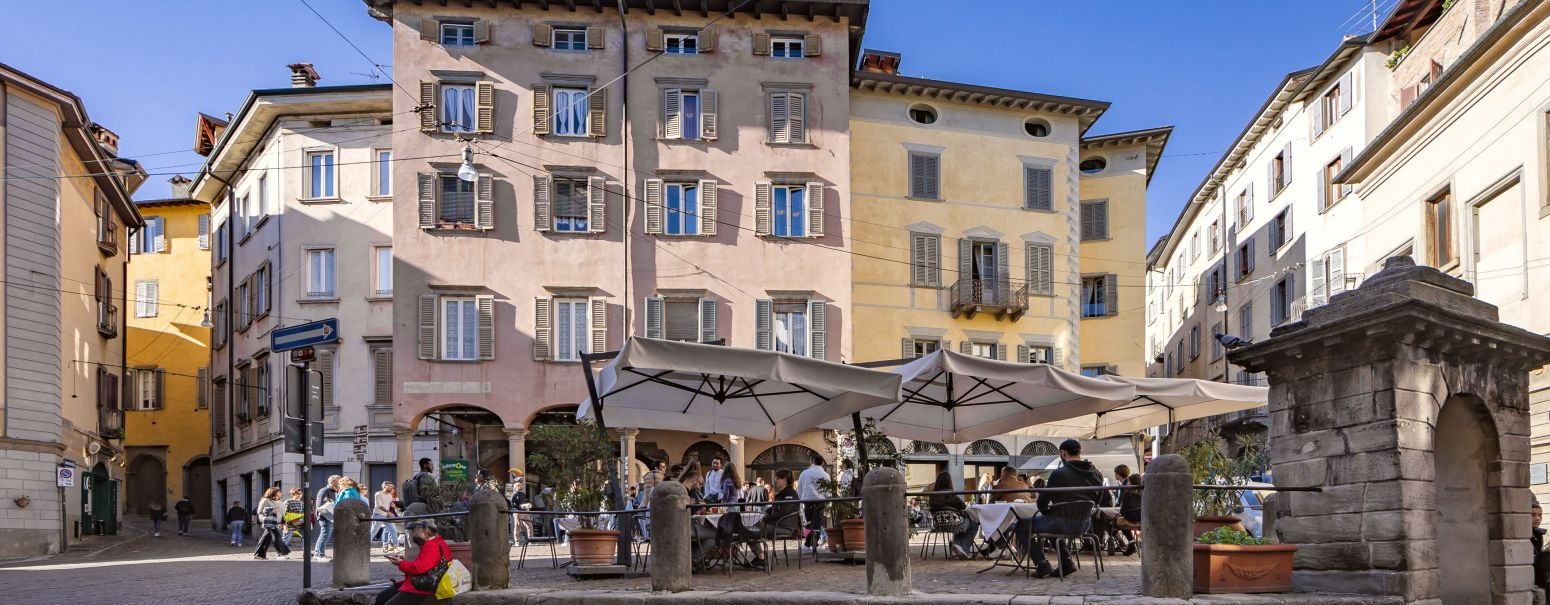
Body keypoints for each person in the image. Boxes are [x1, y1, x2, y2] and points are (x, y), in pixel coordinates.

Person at [1023, 439, 1106, 578]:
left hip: (1061, 523)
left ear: (1063, 453)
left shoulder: (1060, 473)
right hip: (1085, 524)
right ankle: (1066, 562)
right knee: (1049, 524)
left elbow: (1042, 502)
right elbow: (1098, 500)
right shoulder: (1096, 474)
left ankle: (1042, 564)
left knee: (1022, 525)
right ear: (1079, 452)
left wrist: (1047, 514)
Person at [378, 520, 452, 605]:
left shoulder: (431, 545)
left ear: (426, 532)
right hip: (425, 581)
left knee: (385, 600)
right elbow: (425, 564)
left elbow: (419, 568)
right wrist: (404, 561)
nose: (414, 534)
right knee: (382, 597)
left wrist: (401, 563)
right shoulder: (436, 542)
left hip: (423, 585)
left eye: (415, 531)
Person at [928, 471, 980, 560]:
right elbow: (963, 507)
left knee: (963, 525)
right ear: (949, 481)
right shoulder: (950, 494)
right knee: (974, 523)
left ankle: (958, 546)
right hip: (954, 523)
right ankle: (963, 549)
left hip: (939, 525)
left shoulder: (932, 496)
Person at [797, 455, 830, 551]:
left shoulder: (805, 473)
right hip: (821, 501)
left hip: (807, 501)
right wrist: (828, 501)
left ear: (813, 462)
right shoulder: (825, 475)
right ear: (822, 463)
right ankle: (814, 543)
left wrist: (800, 500)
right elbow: (828, 490)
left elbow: (799, 488)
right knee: (817, 523)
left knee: (809, 523)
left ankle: (808, 544)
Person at [253, 487, 291, 560]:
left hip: (276, 522)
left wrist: (283, 523)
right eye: (279, 492)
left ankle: (259, 555)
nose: (281, 493)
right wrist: (272, 510)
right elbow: (259, 511)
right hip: (269, 522)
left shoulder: (280, 501)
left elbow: (283, 514)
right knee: (276, 536)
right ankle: (280, 554)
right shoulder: (265, 500)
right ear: (273, 492)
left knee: (266, 538)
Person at [314, 475, 341, 560]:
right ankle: (320, 554)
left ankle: (317, 553)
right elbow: (320, 504)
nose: (340, 483)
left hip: (331, 516)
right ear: (333, 482)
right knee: (325, 534)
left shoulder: (336, 491)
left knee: (325, 534)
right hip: (325, 516)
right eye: (339, 481)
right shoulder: (324, 490)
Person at [1117, 474, 1142, 556]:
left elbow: (1123, 511)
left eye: (1128, 482)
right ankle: (1131, 544)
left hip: (1129, 520)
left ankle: (1131, 543)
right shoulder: (1145, 493)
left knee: (1114, 523)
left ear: (1131, 483)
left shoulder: (1127, 493)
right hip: (1143, 520)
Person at [376, 481, 402, 554]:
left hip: (393, 515)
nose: (392, 489)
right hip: (386, 515)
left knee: (392, 529)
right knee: (386, 529)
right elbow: (381, 505)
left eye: (393, 488)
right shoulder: (383, 495)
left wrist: (396, 507)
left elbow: (397, 507)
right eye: (391, 488)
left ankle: (391, 545)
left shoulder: (395, 497)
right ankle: (386, 545)